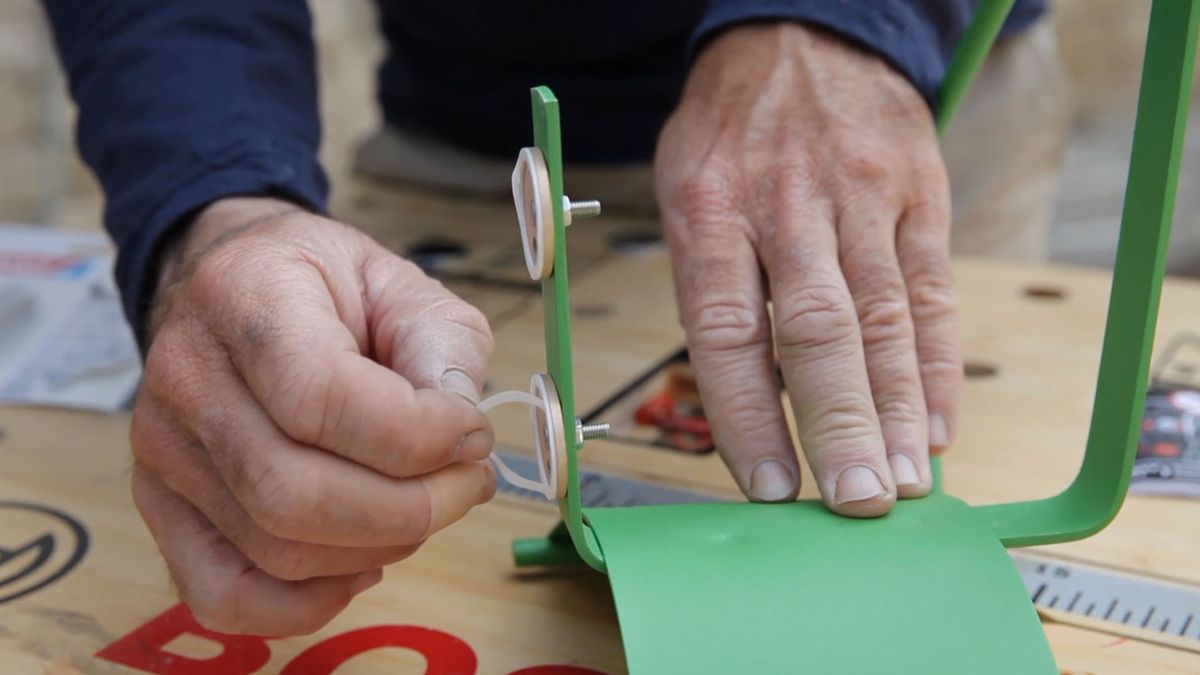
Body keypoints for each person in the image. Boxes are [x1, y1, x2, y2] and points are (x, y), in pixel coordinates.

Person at [43, 0, 1062, 636]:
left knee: (921, 460)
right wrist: (217, 201)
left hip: (894, 103)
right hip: (472, 134)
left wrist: (844, 17)